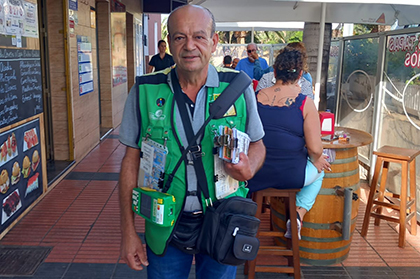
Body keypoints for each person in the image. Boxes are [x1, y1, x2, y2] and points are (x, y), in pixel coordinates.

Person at [118, 5, 266, 279]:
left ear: (213, 41)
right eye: (179, 37)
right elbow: (130, 160)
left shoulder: (238, 88)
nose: (190, 46)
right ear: (170, 44)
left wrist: (249, 167)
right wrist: (128, 232)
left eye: (199, 36)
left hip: (223, 221)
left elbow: (258, 145)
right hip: (165, 225)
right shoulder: (145, 91)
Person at [248, 47, 331, 239]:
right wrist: (317, 160)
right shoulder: (304, 103)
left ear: (275, 71)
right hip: (292, 176)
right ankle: (297, 215)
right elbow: (315, 148)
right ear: (301, 74)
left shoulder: (254, 98)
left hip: (256, 173)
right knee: (321, 170)